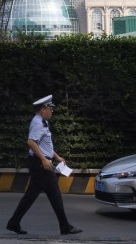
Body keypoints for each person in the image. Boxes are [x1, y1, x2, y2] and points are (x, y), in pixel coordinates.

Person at [6, 95, 82, 236]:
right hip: (41, 165)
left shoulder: (42, 122)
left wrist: (57, 157)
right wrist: (44, 160)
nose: (52, 111)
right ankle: (65, 227)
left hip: (39, 163)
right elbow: (31, 142)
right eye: (50, 108)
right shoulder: (39, 123)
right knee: (55, 196)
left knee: (31, 195)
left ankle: (13, 223)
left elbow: (44, 144)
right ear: (42, 110)